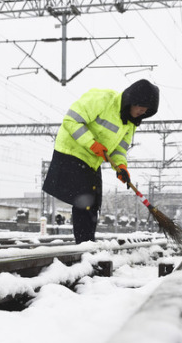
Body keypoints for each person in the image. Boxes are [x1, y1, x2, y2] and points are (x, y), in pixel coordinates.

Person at [42, 79, 159, 244]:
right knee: (85, 200)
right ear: (131, 100)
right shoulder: (102, 100)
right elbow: (71, 120)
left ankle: (87, 243)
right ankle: (84, 245)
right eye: (142, 105)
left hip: (92, 159)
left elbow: (119, 150)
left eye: (147, 110)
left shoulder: (130, 124)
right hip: (71, 151)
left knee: (95, 201)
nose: (143, 110)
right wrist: (92, 143)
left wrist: (121, 167)